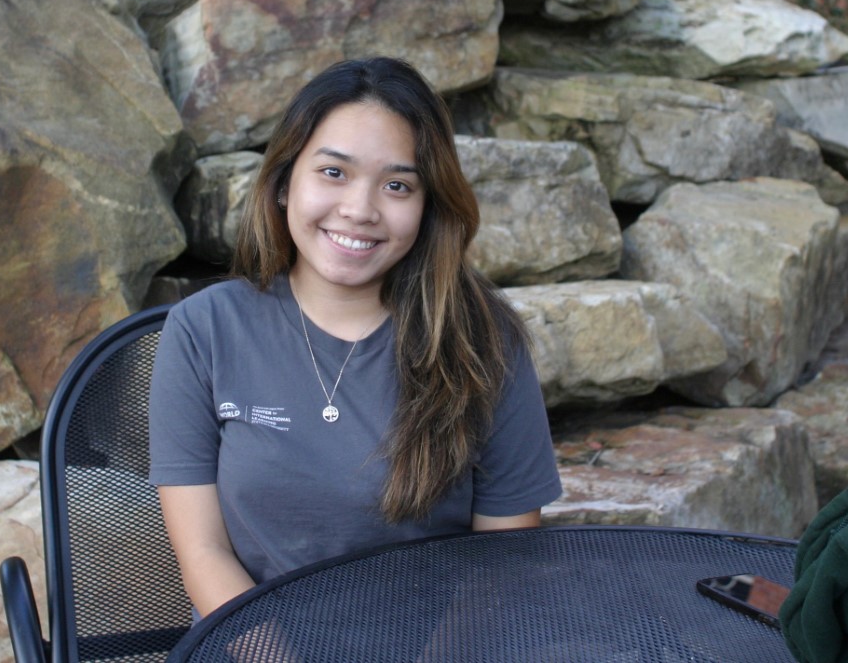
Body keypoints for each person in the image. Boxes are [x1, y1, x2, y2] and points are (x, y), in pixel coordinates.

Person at [149, 56, 563, 625]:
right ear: (283, 183)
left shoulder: (483, 344)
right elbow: (203, 554)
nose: (359, 210)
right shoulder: (204, 330)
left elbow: (501, 571)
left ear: (427, 207)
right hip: (248, 649)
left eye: (396, 185)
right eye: (333, 173)